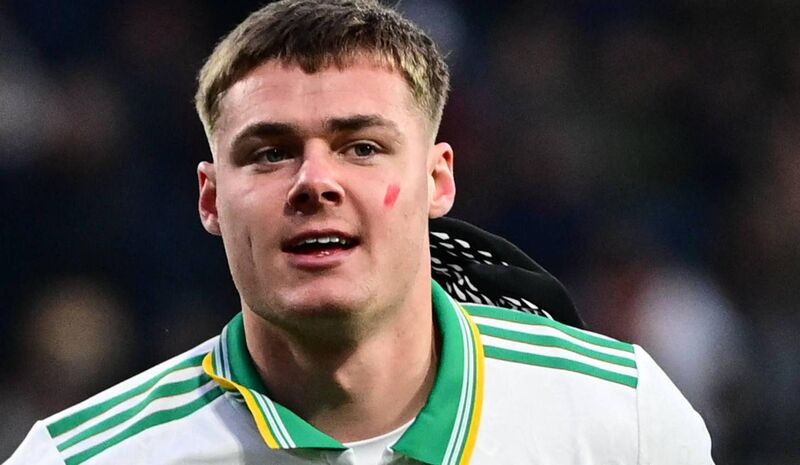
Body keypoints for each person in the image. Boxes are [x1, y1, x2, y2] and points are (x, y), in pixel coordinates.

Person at [5, 1, 714, 464]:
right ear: (212, 198)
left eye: (362, 146)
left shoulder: (623, 419)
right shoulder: (74, 458)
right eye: (270, 151)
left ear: (439, 181)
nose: (315, 180)